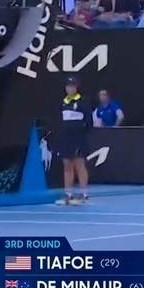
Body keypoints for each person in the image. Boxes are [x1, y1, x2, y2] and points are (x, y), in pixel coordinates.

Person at [57, 77, 91, 206]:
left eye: (72, 86)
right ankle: (68, 194)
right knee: (67, 165)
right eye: (68, 86)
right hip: (66, 138)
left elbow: (89, 122)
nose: (70, 88)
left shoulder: (83, 101)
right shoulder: (63, 102)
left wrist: (80, 133)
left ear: (76, 87)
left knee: (79, 164)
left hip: (78, 138)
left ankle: (84, 194)